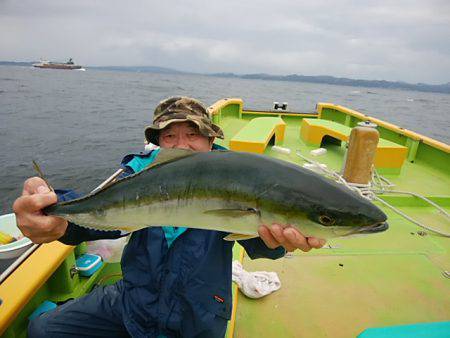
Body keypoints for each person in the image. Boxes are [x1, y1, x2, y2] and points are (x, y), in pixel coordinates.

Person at [13, 97, 325, 338]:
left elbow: (260, 246)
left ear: (209, 141)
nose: (182, 145)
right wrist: (53, 212)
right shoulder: (140, 174)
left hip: (198, 316)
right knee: (43, 330)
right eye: (170, 136)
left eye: (193, 134)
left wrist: (280, 241)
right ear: (159, 143)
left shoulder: (233, 180)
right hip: (132, 301)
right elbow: (100, 209)